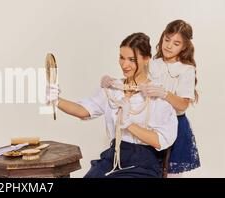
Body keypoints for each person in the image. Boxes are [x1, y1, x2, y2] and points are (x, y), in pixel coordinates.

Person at [47, 32, 178, 178]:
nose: (124, 64)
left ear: (146, 59)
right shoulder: (113, 89)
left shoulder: (156, 94)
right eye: (121, 57)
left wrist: (128, 124)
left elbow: (160, 140)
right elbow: (83, 110)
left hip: (143, 163)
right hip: (113, 157)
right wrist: (56, 100)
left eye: (132, 59)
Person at [101, 20, 200, 177]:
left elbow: (183, 104)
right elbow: (133, 77)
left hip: (173, 125)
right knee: (147, 167)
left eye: (176, 43)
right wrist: (112, 82)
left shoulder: (186, 69)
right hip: (148, 123)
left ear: (184, 47)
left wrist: (164, 94)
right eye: (167, 40)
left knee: (171, 173)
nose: (168, 46)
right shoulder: (152, 62)